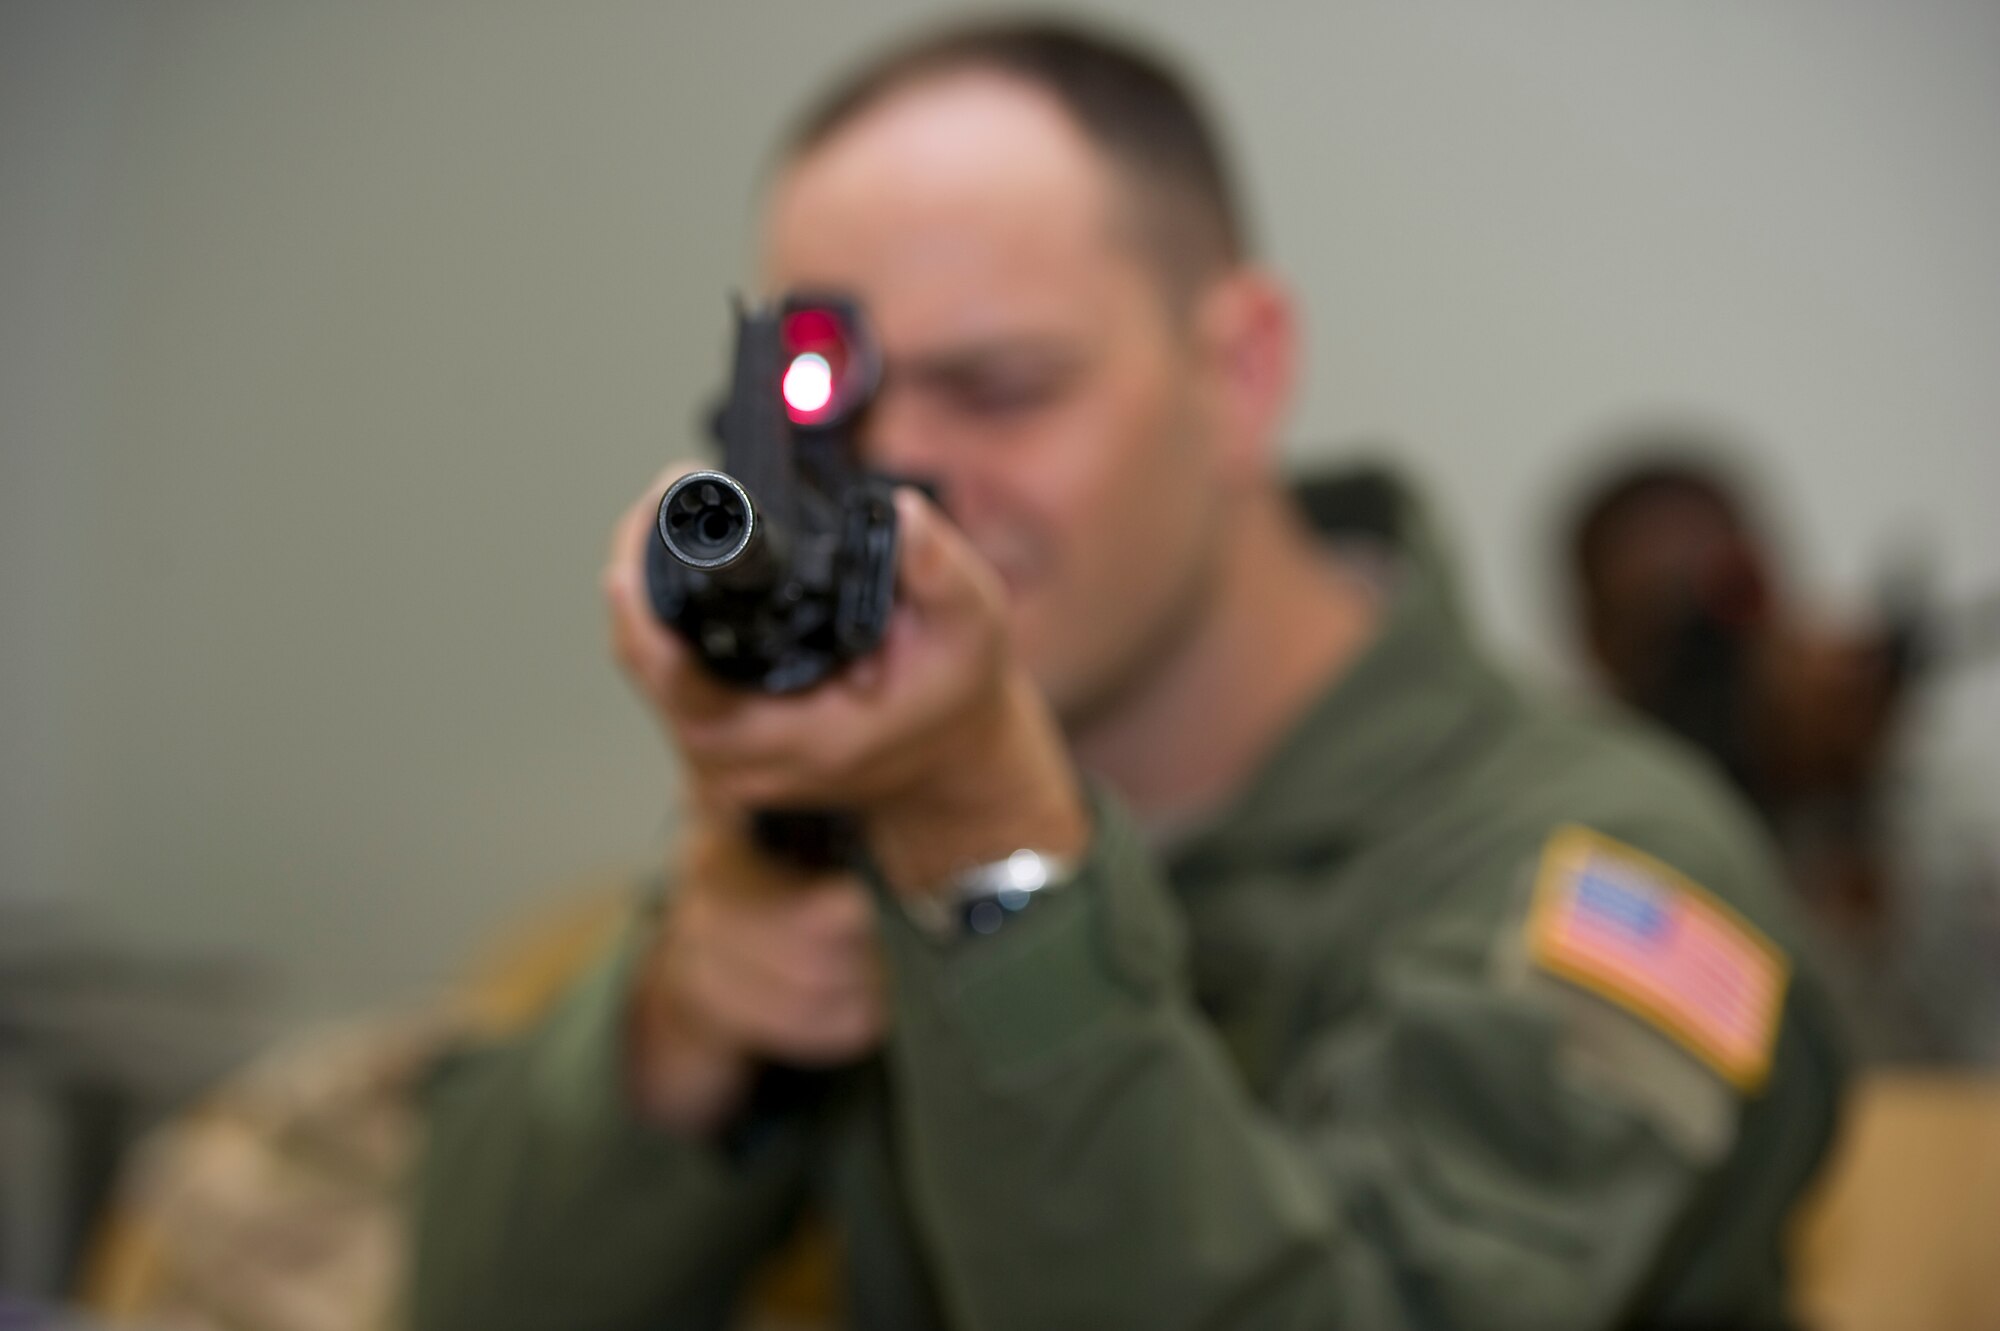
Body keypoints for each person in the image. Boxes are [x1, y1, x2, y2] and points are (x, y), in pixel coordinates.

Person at [410, 21, 1847, 1330]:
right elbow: (463, 1297)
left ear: (1239, 370)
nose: (908, 486)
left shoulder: (1605, 873)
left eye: (1004, 386)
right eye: (839, 410)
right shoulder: (861, 803)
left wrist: (991, 864)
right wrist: (682, 1022)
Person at [1563, 442, 2000, 1065]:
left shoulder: (1896, 791)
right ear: (1594, 639)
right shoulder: (1576, 819)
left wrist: (1851, 799)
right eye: (1656, 622)